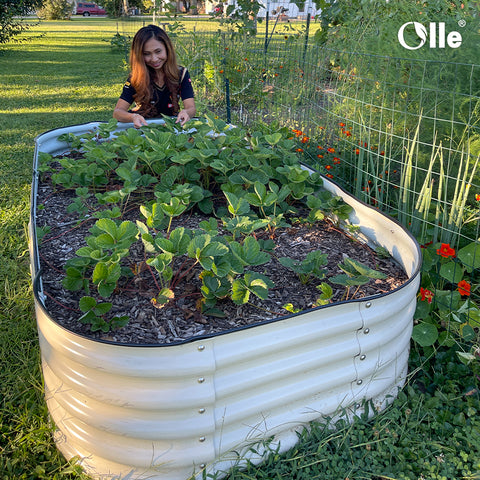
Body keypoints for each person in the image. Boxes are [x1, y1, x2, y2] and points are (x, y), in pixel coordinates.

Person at [113, 25, 196, 128]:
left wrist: (186, 113)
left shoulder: (181, 74)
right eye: (147, 54)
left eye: (158, 51)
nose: (154, 59)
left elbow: (191, 108)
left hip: (170, 126)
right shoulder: (136, 77)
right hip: (143, 127)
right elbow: (117, 112)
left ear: (167, 48)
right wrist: (133, 117)